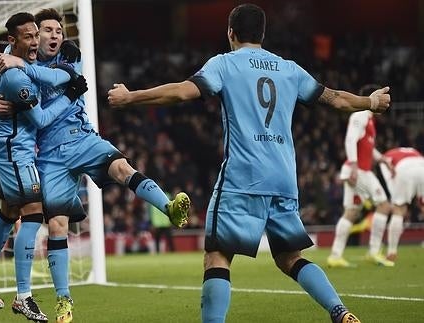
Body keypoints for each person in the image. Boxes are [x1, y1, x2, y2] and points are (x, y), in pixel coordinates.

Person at [107, 4, 392, 323]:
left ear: (230, 32)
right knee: (290, 258)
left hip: (243, 177)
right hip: (284, 177)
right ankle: (339, 311)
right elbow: (337, 98)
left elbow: (181, 92)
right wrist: (372, 101)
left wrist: (132, 97)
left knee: (217, 256)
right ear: (263, 34)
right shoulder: (288, 68)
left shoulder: (225, 64)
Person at [0, 8, 191, 323]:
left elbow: (64, 77)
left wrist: (22, 67)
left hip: (82, 138)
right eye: (47, 30)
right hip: (49, 155)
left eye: (59, 30)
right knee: (57, 226)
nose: (55, 35)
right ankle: (63, 300)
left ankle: (169, 208)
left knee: (122, 168)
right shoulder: (19, 63)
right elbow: (8, 82)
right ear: (33, 36)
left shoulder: (70, 56)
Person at [0, 12, 87, 323]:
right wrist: (72, 90)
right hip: (14, 152)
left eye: (37, 35)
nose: (35, 42)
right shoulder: (19, 79)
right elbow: (43, 119)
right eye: (29, 37)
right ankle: (23, 296)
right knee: (33, 213)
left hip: (13, 147)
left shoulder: (13, 61)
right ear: (12, 41)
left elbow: (37, 72)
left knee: (7, 213)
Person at [327, 84, 394, 268]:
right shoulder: (361, 115)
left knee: (352, 211)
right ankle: (373, 252)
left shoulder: (369, 120)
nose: (384, 103)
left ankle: (335, 256)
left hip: (356, 170)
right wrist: (355, 166)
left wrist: (383, 160)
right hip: (359, 171)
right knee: (384, 205)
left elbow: (368, 148)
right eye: (381, 98)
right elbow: (350, 139)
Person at [379, 147, 424, 264]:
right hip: (422, 165)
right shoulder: (413, 150)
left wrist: (395, 196)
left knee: (399, 209)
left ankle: (391, 252)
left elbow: (389, 172)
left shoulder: (387, 155)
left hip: (403, 169)